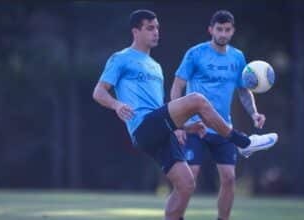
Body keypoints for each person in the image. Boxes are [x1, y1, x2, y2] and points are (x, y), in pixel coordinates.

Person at [93, 9, 276, 220]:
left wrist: (182, 127)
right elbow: (99, 91)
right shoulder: (121, 58)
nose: (156, 32)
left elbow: (158, 107)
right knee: (197, 99)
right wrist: (116, 105)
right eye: (150, 28)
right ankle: (243, 142)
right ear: (136, 31)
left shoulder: (156, 66)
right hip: (142, 127)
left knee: (187, 185)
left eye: (157, 28)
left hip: (159, 130)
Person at [170, 10, 277, 220]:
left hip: (222, 128)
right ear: (211, 29)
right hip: (195, 126)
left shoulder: (237, 57)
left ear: (232, 31)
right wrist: (178, 123)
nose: (223, 33)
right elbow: (177, 87)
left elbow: (243, 90)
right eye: (219, 29)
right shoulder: (195, 54)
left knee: (229, 178)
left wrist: (254, 113)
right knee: (189, 179)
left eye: (227, 30)